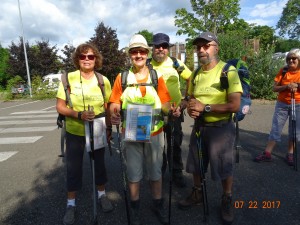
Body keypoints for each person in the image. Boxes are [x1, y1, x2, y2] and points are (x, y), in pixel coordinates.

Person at [109, 34, 181, 225]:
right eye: (134, 51)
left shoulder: (157, 77)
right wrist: (114, 112)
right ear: (130, 55)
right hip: (131, 132)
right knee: (133, 174)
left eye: (142, 51)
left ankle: (158, 205)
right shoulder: (122, 77)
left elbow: (165, 102)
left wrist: (171, 110)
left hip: (155, 132)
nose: (139, 55)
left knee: (156, 172)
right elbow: (114, 102)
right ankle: (135, 208)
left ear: (146, 53)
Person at [177, 32, 242, 225]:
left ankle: (227, 198)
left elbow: (234, 105)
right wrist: (183, 107)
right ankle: (197, 193)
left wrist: (204, 108)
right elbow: (189, 99)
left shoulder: (228, 71)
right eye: (198, 47)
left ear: (216, 48)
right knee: (196, 164)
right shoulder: (196, 74)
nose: (201, 50)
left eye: (206, 46)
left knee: (223, 165)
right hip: (199, 127)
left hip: (220, 128)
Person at [56, 43, 113, 225]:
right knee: (74, 168)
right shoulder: (68, 78)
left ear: (96, 59)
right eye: (83, 56)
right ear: (77, 59)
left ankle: (102, 195)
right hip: (75, 131)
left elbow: (107, 107)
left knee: (99, 166)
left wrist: (109, 128)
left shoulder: (103, 80)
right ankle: (71, 204)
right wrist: (78, 114)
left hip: (97, 129)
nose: (87, 60)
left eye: (90, 56)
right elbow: (60, 106)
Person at [149, 33, 192, 187]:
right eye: (157, 46)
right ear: (152, 48)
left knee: (175, 143)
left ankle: (176, 173)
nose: (161, 49)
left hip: (174, 111)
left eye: (164, 46)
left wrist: (186, 99)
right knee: (156, 146)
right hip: (154, 113)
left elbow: (190, 79)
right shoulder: (146, 65)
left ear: (168, 48)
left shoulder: (176, 63)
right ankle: (158, 173)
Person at [255, 48, 300, 166]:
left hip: (298, 104)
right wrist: (286, 87)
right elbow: (274, 88)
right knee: (276, 128)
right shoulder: (284, 71)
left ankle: (290, 153)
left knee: (294, 130)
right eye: (289, 58)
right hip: (282, 104)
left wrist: (297, 85)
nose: (291, 60)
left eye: (294, 58)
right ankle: (267, 153)